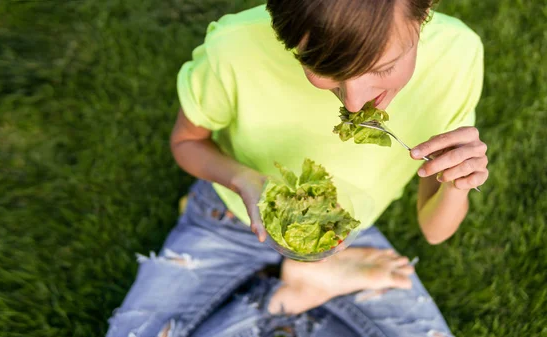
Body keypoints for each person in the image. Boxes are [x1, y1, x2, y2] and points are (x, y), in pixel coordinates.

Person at [106, 0, 488, 336]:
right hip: (228, 217)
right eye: (324, 68)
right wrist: (245, 180)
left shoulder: (456, 57)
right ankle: (292, 294)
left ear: (422, 15)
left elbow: (434, 230)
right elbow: (186, 142)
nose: (354, 104)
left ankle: (299, 287)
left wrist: (455, 185)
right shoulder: (234, 47)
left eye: (384, 67)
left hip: (342, 234)